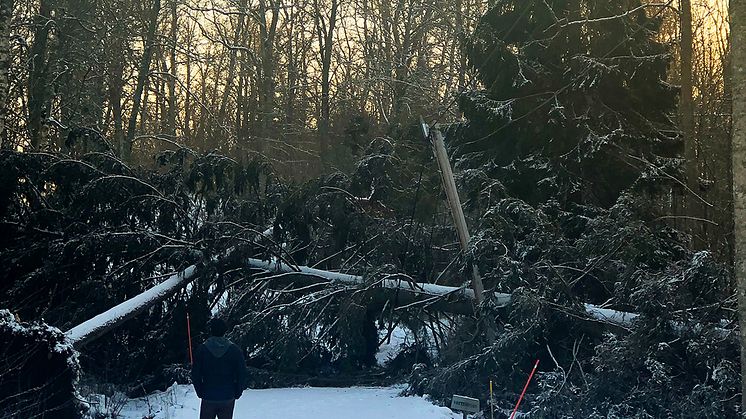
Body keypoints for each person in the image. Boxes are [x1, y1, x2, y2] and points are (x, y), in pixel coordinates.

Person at [191, 318, 248, 419]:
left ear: (211, 330)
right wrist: (237, 392)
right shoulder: (235, 350)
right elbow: (242, 373)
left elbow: (195, 374)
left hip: (208, 396)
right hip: (228, 396)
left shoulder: (202, 350)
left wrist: (200, 391)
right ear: (225, 331)